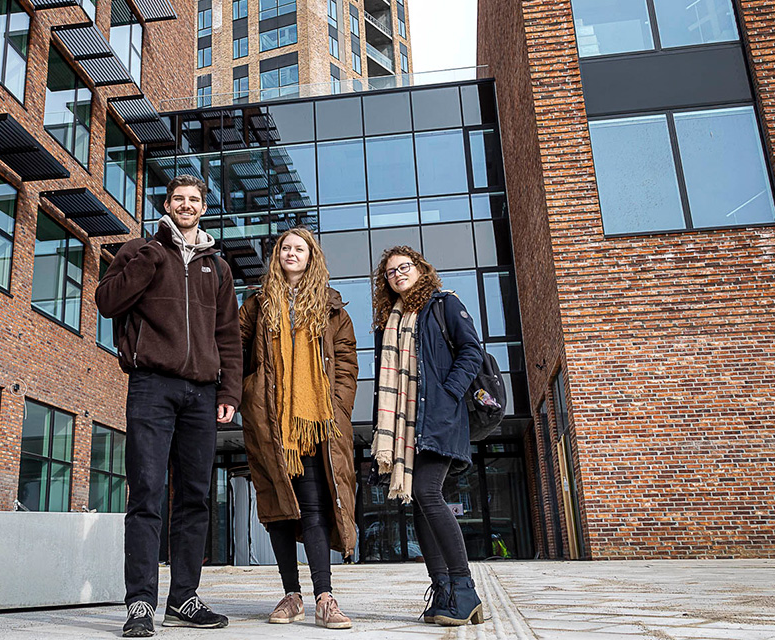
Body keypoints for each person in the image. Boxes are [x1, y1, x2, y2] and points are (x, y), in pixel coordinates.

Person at [96, 175, 243, 638]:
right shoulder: (140, 251)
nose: (186, 205)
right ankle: (140, 602)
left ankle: (184, 597)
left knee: (196, 496)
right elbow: (107, 301)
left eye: (194, 200)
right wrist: (152, 255)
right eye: (178, 199)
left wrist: (229, 393)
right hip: (151, 386)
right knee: (145, 493)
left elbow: (229, 337)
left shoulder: (216, 267)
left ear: (203, 207)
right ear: (167, 204)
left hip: (201, 393)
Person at [237, 228, 358, 630]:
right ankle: (292, 595)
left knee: (315, 509)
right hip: (269, 423)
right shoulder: (256, 304)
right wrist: (248, 397)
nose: (291, 253)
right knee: (277, 510)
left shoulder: (331, 307)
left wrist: (336, 408)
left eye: (299, 249)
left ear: (311, 257)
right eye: (285, 248)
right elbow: (235, 353)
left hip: (314, 426)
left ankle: (325, 596)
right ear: (277, 256)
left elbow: (345, 363)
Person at [369, 246, 487, 627]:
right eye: (391, 272)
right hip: (406, 425)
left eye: (405, 267)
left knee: (426, 492)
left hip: (439, 418)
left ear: (421, 270)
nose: (398, 274)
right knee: (418, 501)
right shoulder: (390, 320)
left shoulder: (443, 305)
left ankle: (464, 589)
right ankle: (443, 591)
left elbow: (472, 351)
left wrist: (449, 393)